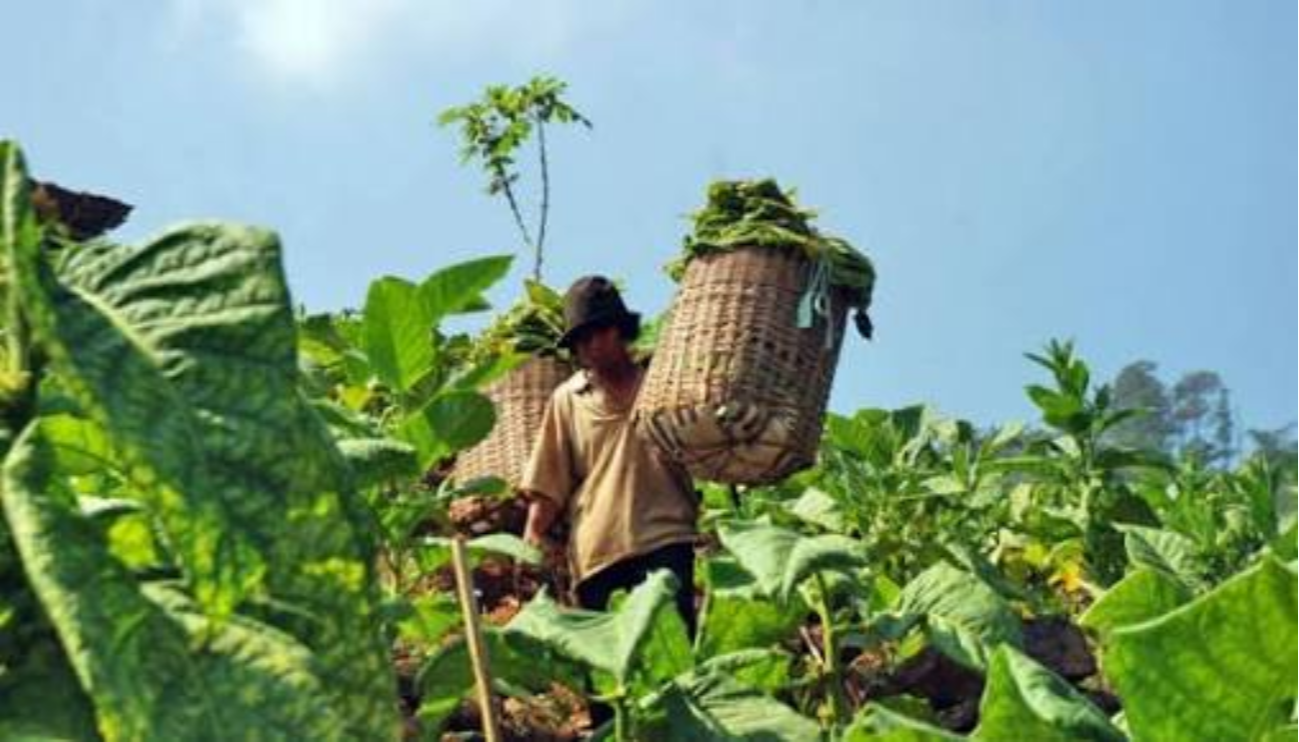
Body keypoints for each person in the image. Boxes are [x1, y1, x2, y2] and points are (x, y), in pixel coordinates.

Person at [520, 275, 699, 636]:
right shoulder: (568, 399)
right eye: (579, 342)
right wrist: (532, 536)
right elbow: (550, 479)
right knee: (613, 672)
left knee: (675, 652)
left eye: (595, 335)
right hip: (598, 553)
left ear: (619, 331)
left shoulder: (662, 384)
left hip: (666, 537)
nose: (588, 348)